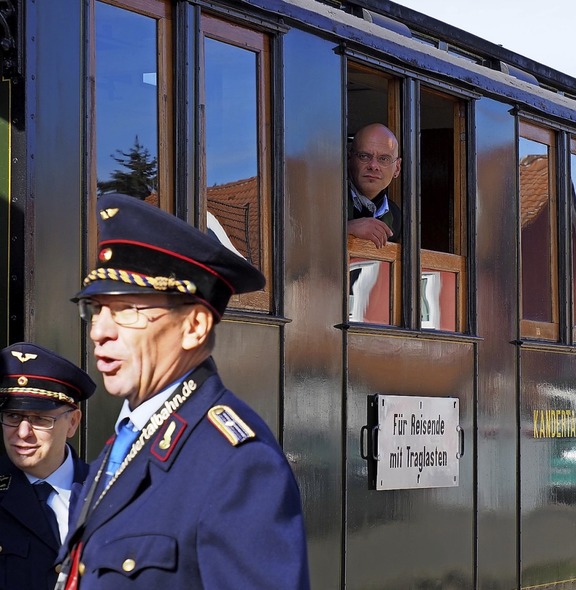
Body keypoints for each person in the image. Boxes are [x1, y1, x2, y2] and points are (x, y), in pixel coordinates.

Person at [56, 193, 310, 590]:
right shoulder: (129, 440)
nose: (99, 331)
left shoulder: (238, 466)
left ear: (194, 327)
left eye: (127, 311)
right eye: (97, 308)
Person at [0, 342, 96, 590]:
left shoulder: (109, 494)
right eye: (12, 416)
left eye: (40, 419)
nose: (22, 433)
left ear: (73, 422)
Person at [347, 123, 402, 248]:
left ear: (397, 168)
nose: (373, 166)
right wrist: (346, 229)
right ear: (349, 159)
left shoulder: (396, 216)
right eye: (364, 156)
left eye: (383, 159)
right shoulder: (327, 201)